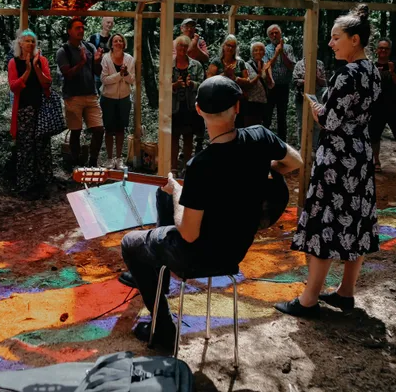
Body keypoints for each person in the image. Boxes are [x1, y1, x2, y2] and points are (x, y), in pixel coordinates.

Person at [121, 76, 303, 347]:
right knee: (164, 194)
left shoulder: (201, 165)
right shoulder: (261, 136)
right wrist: (261, 173)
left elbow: (189, 233)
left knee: (130, 242)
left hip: (198, 257)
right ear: (237, 107)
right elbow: (295, 161)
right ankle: (156, 270)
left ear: (198, 110)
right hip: (234, 251)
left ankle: (163, 330)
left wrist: (180, 193)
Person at [276, 4, 380, 318]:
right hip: (360, 155)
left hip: (337, 157)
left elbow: (331, 122)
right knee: (356, 221)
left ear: (356, 40)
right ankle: (346, 292)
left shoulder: (347, 73)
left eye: (337, 38)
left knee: (326, 222)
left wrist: (316, 111)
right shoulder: (372, 71)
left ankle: (309, 299)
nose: (332, 44)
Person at [8, 30, 53, 199]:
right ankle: (25, 186)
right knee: (25, 148)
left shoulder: (41, 60)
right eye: (27, 41)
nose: (30, 44)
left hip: (41, 108)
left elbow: (47, 83)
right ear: (20, 43)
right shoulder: (13, 62)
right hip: (23, 110)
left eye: (32, 41)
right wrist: (27, 70)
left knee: (42, 147)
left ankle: (44, 184)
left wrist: (35, 66)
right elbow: (14, 86)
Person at [56, 17, 104, 167]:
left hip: (91, 95)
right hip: (73, 97)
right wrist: (82, 62)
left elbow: (98, 72)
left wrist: (96, 61)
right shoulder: (63, 51)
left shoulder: (90, 47)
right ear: (69, 31)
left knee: (99, 129)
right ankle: (76, 165)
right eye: (77, 28)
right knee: (76, 132)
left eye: (82, 27)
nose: (81, 30)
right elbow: (67, 74)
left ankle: (92, 163)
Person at [369, 38, 396, 173]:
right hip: (376, 107)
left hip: (392, 107)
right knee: (374, 136)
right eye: (381, 48)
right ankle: (376, 161)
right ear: (377, 50)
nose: (383, 50)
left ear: (389, 51)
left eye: (386, 48)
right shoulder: (371, 66)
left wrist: (392, 72)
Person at [100, 33, 135, 169]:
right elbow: (105, 80)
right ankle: (109, 159)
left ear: (124, 44)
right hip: (108, 98)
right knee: (109, 129)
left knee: (121, 129)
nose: (118, 43)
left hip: (124, 98)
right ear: (111, 44)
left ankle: (119, 159)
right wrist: (119, 74)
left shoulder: (129, 59)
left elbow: (131, 80)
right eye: (115, 41)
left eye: (120, 41)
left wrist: (125, 74)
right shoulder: (106, 58)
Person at [171, 36, 205, 173]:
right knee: (173, 138)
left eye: (185, 46)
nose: (182, 49)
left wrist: (193, 84)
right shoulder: (168, 64)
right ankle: (173, 167)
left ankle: (186, 167)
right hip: (173, 107)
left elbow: (203, 84)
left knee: (188, 138)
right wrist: (175, 85)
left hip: (190, 107)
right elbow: (161, 86)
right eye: (180, 46)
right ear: (176, 47)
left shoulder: (196, 65)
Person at [207, 35, 249, 127]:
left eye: (233, 46)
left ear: (236, 49)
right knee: (222, 126)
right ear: (223, 46)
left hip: (238, 101)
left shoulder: (240, 63)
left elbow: (247, 81)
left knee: (239, 126)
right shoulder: (216, 62)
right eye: (228, 45)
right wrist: (224, 75)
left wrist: (234, 77)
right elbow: (208, 80)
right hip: (220, 100)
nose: (230, 48)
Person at [263, 24, 296, 141]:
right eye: (271, 33)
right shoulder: (266, 49)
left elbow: (291, 66)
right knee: (267, 115)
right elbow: (265, 67)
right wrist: (276, 54)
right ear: (268, 36)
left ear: (280, 34)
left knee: (282, 116)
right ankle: (265, 141)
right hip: (270, 87)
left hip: (284, 87)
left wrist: (282, 52)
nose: (274, 35)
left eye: (276, 32)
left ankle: (282, 143)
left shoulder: (288, 48)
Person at [292, 57, 327, 151]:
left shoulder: (319, 63)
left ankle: (314, 147)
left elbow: (324, 82)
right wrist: (305, 80)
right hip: (301, 96)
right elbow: (294, 80)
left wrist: (316, 78)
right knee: (301, 122)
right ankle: (301, 146)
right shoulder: (299, 64)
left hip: (317, 95)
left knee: (317, 122)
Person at [243, 42, 274, 127]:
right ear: (252, 53)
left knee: (262, 127)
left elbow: (270, 85)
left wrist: (267, 72)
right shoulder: (246, 65)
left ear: (264, 52)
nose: (258, 52)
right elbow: (246, 84)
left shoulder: (266, 65)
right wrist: (258, 75)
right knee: (250, 127)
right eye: (255, 50)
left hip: (263, 101)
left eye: (261, 50)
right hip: (250, 101)